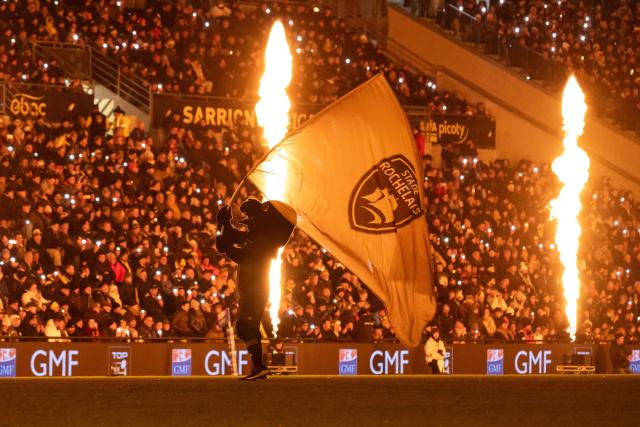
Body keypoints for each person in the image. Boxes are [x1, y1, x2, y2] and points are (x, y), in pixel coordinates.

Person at [216, 199, 294, 380]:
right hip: (252, 291)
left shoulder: (265, 244)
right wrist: (223, 224)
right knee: (248, 326)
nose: (248, 223)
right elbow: (228, 241)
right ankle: (259, 368)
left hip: (255, 291)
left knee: (244, 327)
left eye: (250, 218)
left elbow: (237, 253)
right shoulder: (257, 238)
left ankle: (259, 367)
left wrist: (225, 232)